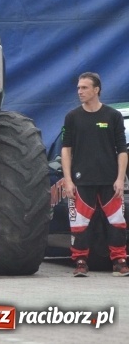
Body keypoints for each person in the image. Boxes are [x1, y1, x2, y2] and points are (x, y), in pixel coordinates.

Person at [61, 72, 128, 277]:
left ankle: (120, 261)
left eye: (84, 88)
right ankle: (80, 262)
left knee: (118, 222)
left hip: (110, 181)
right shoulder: (72, 117)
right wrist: (68, 180)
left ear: (96, 90)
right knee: (79, 224)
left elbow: (122, 150)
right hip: (82, 181)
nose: (79, 91)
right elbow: (66, 150)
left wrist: (119, 178)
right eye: (78, 88)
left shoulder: (112, 116)